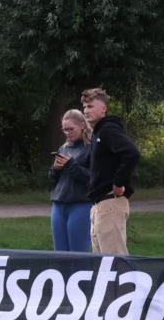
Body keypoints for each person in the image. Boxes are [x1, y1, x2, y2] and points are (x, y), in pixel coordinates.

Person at [82, 88, 140, 255]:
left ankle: (125, 283)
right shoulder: (97, 133)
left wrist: (119, 182)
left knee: (115, 262)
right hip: (98, 205)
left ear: (103, 109)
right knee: (102, 265)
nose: (86, 111)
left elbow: (131, 153)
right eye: (85, 107)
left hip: (110, 202)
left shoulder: (108, 130)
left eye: (91, 106)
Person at [49, 110, 94, 252]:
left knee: (78, 253)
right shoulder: (64, 147)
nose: (67, 133)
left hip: (80, 203)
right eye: (64, 130)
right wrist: (55, 169)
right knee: (60, 253)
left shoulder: (91, 146)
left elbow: (92, 178)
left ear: (81, 125)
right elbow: (52, 180)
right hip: (59, 202)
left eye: (70, 129)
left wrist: (71, 164)